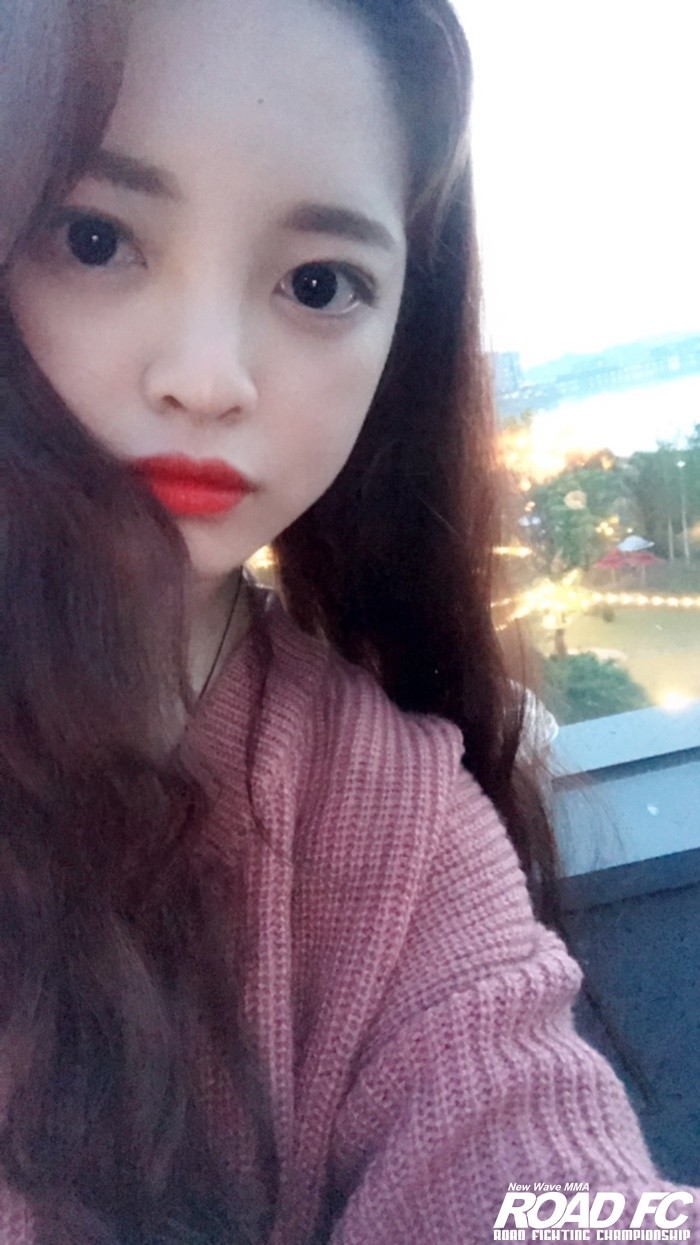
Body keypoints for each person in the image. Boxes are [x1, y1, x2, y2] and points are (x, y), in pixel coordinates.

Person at [0, 1, 697, 1242]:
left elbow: (539, 1176)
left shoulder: (385, 817)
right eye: (96, 239)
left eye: (318, 284)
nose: (208, 378)